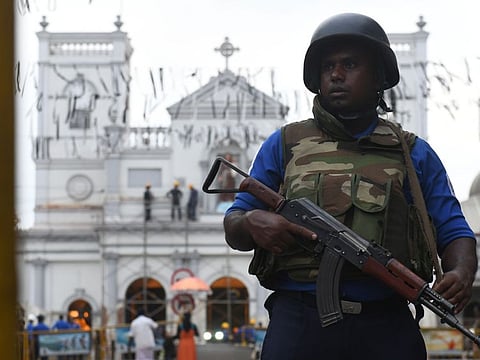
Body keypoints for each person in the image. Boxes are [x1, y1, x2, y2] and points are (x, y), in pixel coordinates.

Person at [223, 13, 477, 360]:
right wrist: (252, 223)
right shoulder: (284, 144)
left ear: (379, 77)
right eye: (328, 66)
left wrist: (461, 272)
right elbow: (235, 222)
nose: (336, 75)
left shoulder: (412, 152)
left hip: (386, 323)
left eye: (350, 64)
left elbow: (454, 230)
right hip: (299, 322)